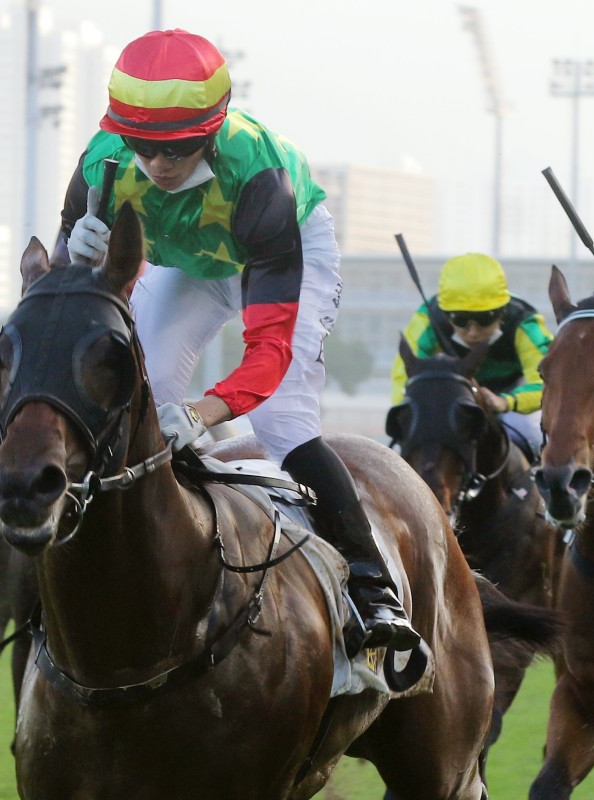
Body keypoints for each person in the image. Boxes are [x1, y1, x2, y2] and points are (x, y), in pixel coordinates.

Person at [51, 29, 418, 656]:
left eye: (181, 148)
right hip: (187, 263)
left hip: (276, 256)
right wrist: (75, 262)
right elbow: (68, 296)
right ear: (121, 131)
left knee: (282, 422)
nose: (160, 165)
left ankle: (371, 583)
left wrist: (202, 415)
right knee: (138, 387)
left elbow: (268, 356)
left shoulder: (260, 178)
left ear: (213, 130)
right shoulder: (102, 161)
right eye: (145, 146)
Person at [390, 252, 552, 458]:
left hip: (513, 394)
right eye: (460, 319)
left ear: (502, 311)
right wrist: (408, 411)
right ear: (446, 313)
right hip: (456, 394)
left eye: (485, 318)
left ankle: (539, 486)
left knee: (532, 432)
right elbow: (403, 375)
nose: (473, 331)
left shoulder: (525, 323)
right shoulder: (429, 319)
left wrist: (506, 402)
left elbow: (550, 384)